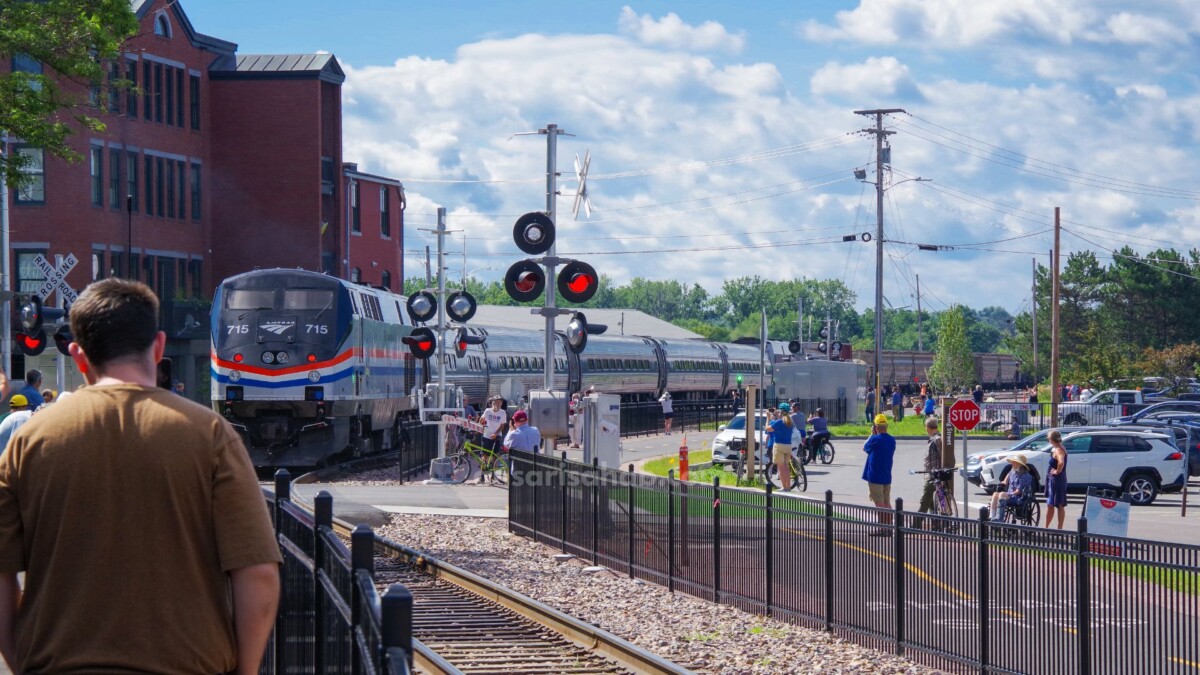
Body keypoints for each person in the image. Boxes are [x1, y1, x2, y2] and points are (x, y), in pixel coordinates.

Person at [0, 278, 281, 674]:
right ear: (160, 346)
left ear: (79, 356)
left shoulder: (27, 441)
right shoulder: (211, 436)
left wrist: (22, 662)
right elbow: (259, 575)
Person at [862, 414, 897, 536]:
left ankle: (882, 528)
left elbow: (865, 447)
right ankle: (889, 527)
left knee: (879, 504)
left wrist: (872, 434)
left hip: (875, 476)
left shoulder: (874, 439)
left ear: (876, 426)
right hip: (886, 475)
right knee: (887, 502)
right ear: (886, 426)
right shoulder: (892, 440)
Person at [914, 416, 947, 529]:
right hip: (941, 475)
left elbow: (935, 459)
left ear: (927, 428)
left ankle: (915, 526)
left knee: (925, 501)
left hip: (933, 476)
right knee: (933, 503)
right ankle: (936, 525)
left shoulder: (935, 441)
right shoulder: (942, 438)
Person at [990, 455, 1034, 521]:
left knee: (1002, 494)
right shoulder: (1011, 472)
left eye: (1014, 462)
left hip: (1019, 497)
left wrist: (1008, 494)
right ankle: (992, 516)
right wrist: (1003, 483)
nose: (1012, 463)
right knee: (995, 494)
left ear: (1019, 464)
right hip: (1010, 495)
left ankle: (999, 518)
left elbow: (1018, 492)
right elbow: (1005, 481)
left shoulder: (1026, 476)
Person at [1043, 429, 1068, 529]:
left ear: (1051, 439)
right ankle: (1046, 526)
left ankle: (1059, 528)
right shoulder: (1057, 448)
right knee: (1050, 504)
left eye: (1048, 439)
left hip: (1057, 480)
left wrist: (1057, 471)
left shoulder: (1059, 450)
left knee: (1059, 504)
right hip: (1052, 479)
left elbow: (1061, 462)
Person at [768, 403, 796, 490]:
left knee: (781, 468)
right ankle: (788, 487)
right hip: (788, 446)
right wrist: (776, 415)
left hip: (779, 445)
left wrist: (768, 418)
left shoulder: (780, 422)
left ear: (781, 411)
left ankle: (784, 487)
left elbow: (768, 428)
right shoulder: (790, 422)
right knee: (786, 467)